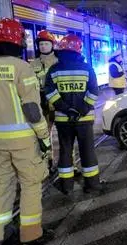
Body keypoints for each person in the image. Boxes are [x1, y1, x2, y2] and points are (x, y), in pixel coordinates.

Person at [0, 18, 53, 245]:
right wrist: (44, 137)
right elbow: (32, 109)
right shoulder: (21, 67)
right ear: (19, 41)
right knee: (30, 185)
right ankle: (31, 234)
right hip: (24, 141)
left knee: (2, 186)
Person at [44, 34, 102, 195]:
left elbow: (49, 92)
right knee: (87, 151)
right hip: (84, 119)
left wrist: (65, 108)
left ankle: (66, 186)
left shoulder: (54, 70)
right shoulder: (87, 68)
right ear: (78, 50)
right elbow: (94, 91)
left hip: (63, 119)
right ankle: (92, 185)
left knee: (65, 151)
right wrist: (82, 110)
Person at [31, 30, 58, 174]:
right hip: (43, 105)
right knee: (44, 136)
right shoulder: (33, 63)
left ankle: (70, 164)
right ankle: (48, 161)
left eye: (46, 43)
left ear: (52, 45)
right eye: (41, 44)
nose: (43, 46)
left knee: (65, 136)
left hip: (59, 104)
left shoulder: (58, 61)